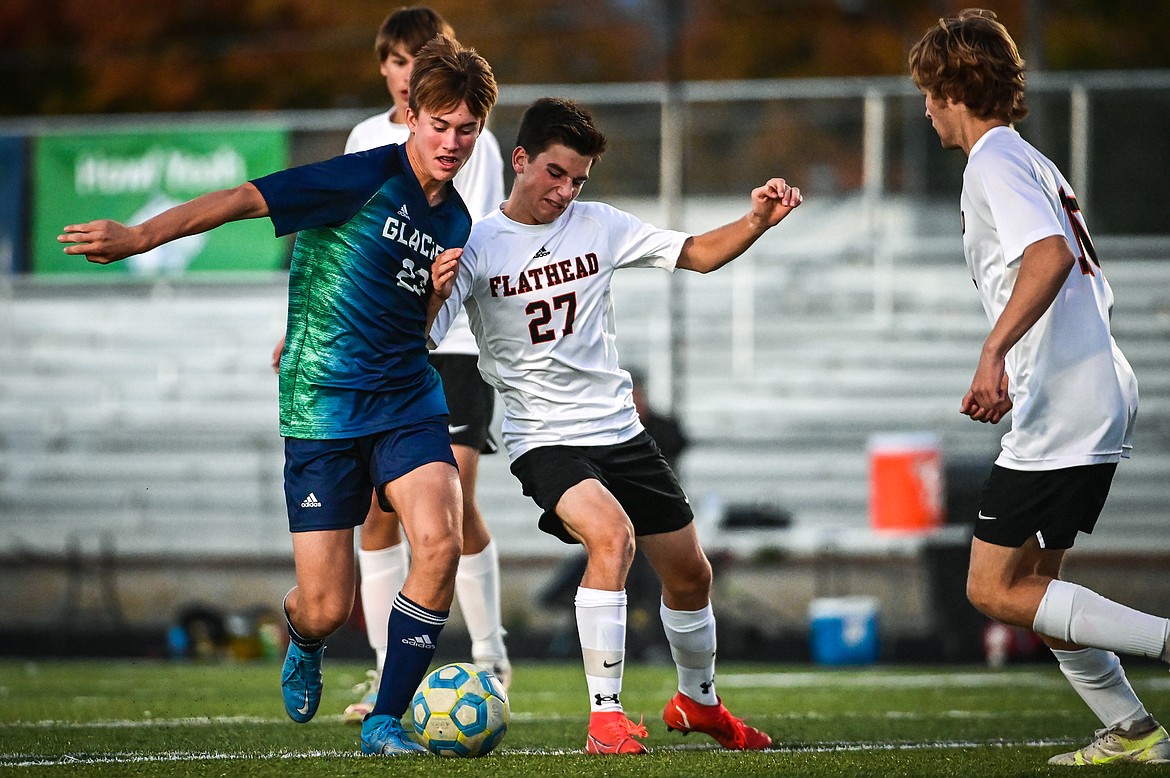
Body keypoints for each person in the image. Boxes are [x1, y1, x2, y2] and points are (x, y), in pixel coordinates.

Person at [58, 35, 498, 757]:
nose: (452, 142)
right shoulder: (361, 176)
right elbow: (242, 197)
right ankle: (304, 637)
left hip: (406, 398)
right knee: (329, 606)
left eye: (466, 129)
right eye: (439, 124)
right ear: (411, 115)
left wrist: (436, 296)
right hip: (323, 403)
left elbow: (415, 327)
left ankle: (386, 719)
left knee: (441, 542)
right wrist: (139, 236)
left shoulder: (455, 221)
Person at [428, 97, 801, 754]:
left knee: (692, 576)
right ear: (520, 160)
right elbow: (423, 328)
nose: (565, 190)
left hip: (620, 432)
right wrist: (431, 288)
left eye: (577, 179)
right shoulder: (478, 241)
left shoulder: (597, 224)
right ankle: (605, 716)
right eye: (554, 172)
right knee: (612, 537)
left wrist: (757, 220)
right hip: (545, 438)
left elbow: (700, 254)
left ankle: (699, 702)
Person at [909, 9, 1170, 767]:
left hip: (1068, 400)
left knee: (992, 589)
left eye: (928, 92)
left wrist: (995, 353)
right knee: (1037, 588)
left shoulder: (992, 162)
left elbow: (1050, 256)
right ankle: (1135, 733)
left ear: (951, 89)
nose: (925, 109)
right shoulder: (1031, 159)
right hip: (1085, 389)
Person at [268, 6, 511, 723]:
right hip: (351, 376)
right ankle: (350, 653)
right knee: (335, 586)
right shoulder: (366, 146)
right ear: (388, 71)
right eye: (402, 62)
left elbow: (485, 232)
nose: (451, 137)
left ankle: (474, 665)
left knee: (446, 516)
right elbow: (331, 250)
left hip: (445, 352)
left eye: (424, 59)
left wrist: (449, 297)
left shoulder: (475, 141)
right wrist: (300, 329)